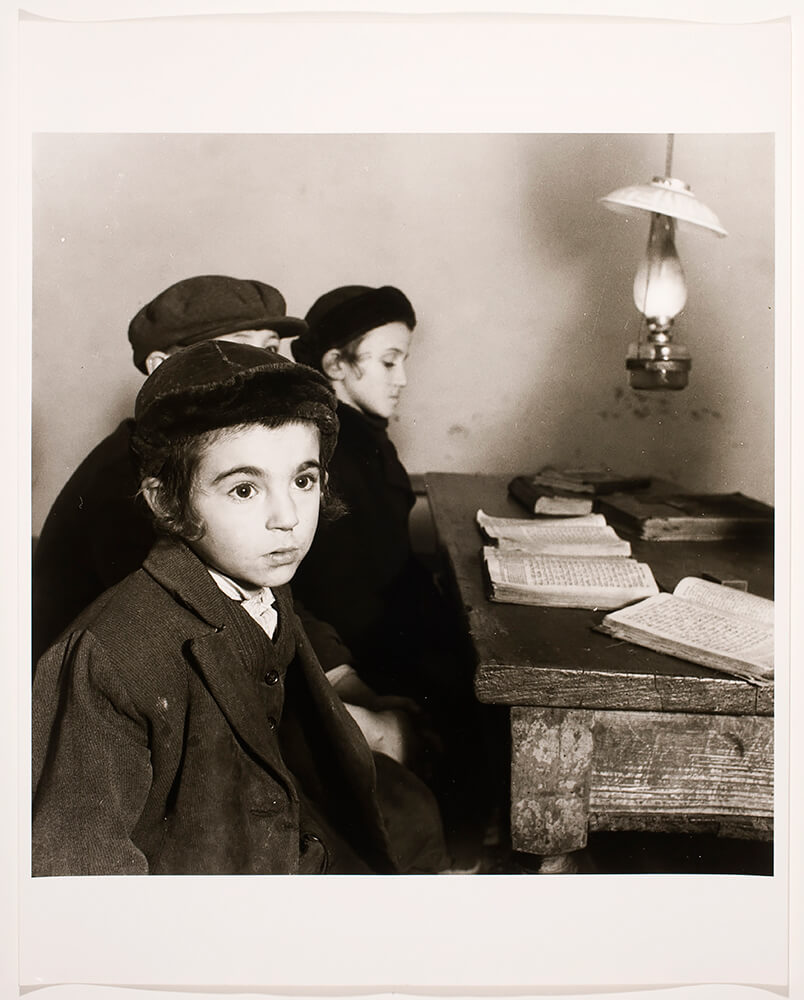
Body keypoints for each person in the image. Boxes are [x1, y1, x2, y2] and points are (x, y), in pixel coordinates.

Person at [32, 341, 449, 875]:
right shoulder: (109, 657)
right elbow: (79, 873)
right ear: (165, 500)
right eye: (245, 489)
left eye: (303, 481)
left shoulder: (261, 588)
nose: (287, 517)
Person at [32, 275, 419, 766]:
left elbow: (262, 601)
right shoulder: (129, 487)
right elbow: (207, 658)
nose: (263, 369)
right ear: (161, 366)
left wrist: (343, 678)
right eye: (235, 351)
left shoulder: (230, 477)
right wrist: (365, 726)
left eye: (272, 350)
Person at [290, 286, 502, 855]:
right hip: (361, 647)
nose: (402, 378)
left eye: (403, 360)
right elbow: (337, 593)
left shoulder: (366, 437)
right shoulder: (329, 451)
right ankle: (467, 846)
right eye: (388, 361)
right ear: (336, 365)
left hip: (386, 626)